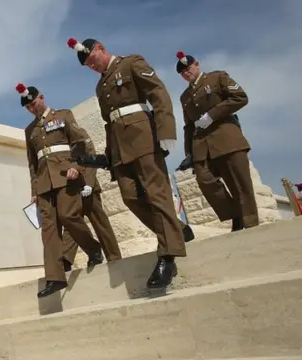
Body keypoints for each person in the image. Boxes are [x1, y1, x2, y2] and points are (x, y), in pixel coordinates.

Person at [66, 37, 194, 288]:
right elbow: (110, 122)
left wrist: (166, 130)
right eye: (88, 66)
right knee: (131, 197)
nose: (92, 66)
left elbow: (157, 92)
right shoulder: (100, 87)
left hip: (144, 137)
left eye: (92, 60)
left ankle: (167, 256)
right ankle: (176, 228)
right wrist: (109, 156)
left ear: (101, 49)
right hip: (120, 150)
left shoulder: (131, 63)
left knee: (158, 196)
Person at [17, 83, 105, 298]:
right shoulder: (30, 131)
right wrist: (35, 189)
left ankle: (93, 249)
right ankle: (55, 278)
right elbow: (32, 163)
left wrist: (76, 166)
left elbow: (80, 142)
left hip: (66, 177)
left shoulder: (63, 116)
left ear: (42, 97)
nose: (32, 107)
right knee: (48, 232)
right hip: (44, 184)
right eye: (27, 106)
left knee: (69, 216)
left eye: (33, 102)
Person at [174, 50, 258, 231]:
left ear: (196, 64)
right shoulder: (184, 97)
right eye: (182, 72)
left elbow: (240, 97)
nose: (186, 73)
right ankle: (235, 214)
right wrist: (188, 153)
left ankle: (250, 223)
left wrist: (212, 115)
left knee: (240, 182)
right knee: (205, 181)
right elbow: (188, 126)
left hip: (227, 137)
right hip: (202, 145)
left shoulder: (217, 78)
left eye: (188, 68)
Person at [61, 138, 122, 270]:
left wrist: (88, 184)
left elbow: (91, 160)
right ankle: (66, 259)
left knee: (100, 223)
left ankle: (114, 257)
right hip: (71, 190)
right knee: (72, 225)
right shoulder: (58, 141)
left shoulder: (79, 136)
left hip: (88, 188)